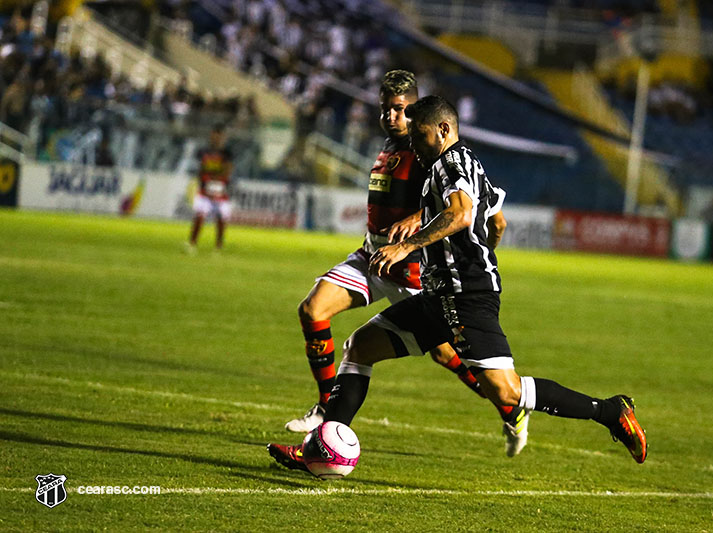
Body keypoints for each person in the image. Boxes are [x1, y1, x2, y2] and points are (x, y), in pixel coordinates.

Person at [268, 95, 648, 472]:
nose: (414, 144)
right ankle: (320, 448)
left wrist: (409, 247)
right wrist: (477, 254)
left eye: (419, 135)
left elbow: (462, 213)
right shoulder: (465, 163)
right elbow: (497, 222)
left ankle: (610, 412)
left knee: (506, 391)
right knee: (360, 347)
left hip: (466, 296)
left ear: (444, 129)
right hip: (439, 295)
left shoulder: (450, 164)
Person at [286, 71, 530, 457]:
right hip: (373, 257)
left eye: (400, 109)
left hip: (412, 265)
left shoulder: (430, 151)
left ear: (415, 110)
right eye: (385, 108)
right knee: (313, 309)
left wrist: (417, 222)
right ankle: (325, 408)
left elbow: (460, 201)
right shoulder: (389, 146)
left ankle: (509, 407)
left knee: (447, 353)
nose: (391, 116)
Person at [186, 125, 233, 253]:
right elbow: (199, 169)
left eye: (219, 136)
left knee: (221, 218)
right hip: (204, 189)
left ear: (223, 137)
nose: (217, 138)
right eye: (215, 135)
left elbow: (228, 170)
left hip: (220, 189)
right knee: (199, 215)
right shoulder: (203, 151)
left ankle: (219, 244)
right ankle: (192, 242)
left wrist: (215, 178)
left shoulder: (227, 153)